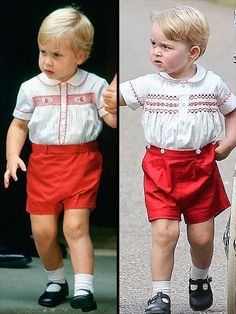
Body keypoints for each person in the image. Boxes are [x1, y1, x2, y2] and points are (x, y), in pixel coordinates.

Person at [118, 5, 236, 314]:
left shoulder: (212, 85)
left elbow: (232, 112)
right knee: (164, 232)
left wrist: (229, 142)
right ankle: (160, 294)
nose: (156, 52)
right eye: (153, 43)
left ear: (193, 52)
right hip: (160, 168)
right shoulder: (148, 84)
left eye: (166, 47)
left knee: (201, 236)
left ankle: (199, 278)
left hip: (201, 167)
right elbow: (113, 95)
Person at [4, 6, 116, 312]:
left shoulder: (95, 85)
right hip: (42, 163)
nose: (46, 61)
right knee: (43, 231)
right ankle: (56, 281)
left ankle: (84, 288)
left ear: (79, 56)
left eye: (56, 55)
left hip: (82, 161)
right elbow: (19, 124)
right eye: (43, 52)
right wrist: (13, 155)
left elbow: (111, 121)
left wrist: (114, 105)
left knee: (75, 227)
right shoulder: (31, 88)